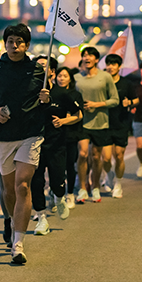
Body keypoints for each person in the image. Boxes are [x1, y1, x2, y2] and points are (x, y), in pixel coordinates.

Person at [0, 24, 50, 264]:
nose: (15, 45)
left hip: (30, 133)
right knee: (8, 189)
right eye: (10, 41)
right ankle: (10, 219)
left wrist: (47, 98)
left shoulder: (38, 70)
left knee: (22, 186)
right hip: (2, 136)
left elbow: (49, 101)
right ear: (5, 43)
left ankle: (18, 245)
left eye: (19, 42)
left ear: (27, 45)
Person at [31, 56, 81, 235]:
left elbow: (78, 114)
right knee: (36, 182)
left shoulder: (61, 93)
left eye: (45, 67)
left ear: (52, 71)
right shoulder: (29, 94)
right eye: (38, 66)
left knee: (57, 181)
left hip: (57, 145)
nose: (41, 69)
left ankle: (59, 198)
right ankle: (41, 218)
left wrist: (63, 120)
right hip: (34, 145)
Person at [73, 47, 119, 202]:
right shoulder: (77, 78)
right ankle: (82, 188)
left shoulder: (105, 77)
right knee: (82, 154)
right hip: (82, 123)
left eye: (90, 55)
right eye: (84, 55)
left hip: (100, 122)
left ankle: (96, 187)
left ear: (96, 59)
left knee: (96, 156)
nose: (86, 58)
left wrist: (97, 104)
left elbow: (115, 100)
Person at [102, 54, 138, 198]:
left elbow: (136, 100)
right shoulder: (102, 82)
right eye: (108, 64)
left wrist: (129, 103)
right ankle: (109, 174)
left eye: (114, 64)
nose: (111, 67)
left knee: (119, 155)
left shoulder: (126, 83)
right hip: (104, 123)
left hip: (121, 123)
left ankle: (118, 183)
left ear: (119, 66)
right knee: (105, 158)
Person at [55, 66, 83, 208]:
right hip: (54, 137)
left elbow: (79, 115)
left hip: (71, 135)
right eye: (59, 76)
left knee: (70, 165)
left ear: (70, 79)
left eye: (65, 76)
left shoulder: (75, 95)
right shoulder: (52, 94)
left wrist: (65, 120)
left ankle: (70, 194)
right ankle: (56, 193)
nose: (62, 78)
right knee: (56, 167)